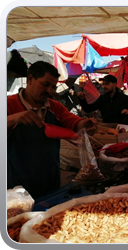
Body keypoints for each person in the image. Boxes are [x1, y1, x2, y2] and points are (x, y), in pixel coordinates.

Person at [7, 61, 97, 199]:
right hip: (17, 185)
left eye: (53, 87)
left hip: (50, 181)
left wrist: (84, 124)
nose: (49, 91)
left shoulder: (55, 107)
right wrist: (14, 118)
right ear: (30, 79)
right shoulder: (9, 104)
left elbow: (72, 122)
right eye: (45, 84)